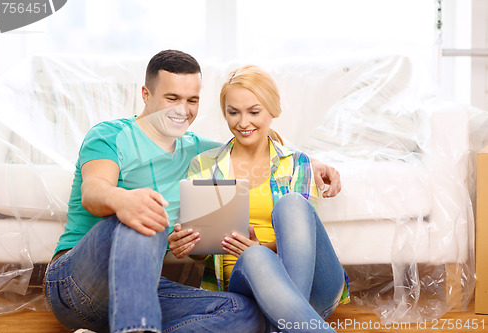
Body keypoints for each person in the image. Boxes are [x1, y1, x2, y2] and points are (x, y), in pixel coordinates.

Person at [44, 50, 341, 333]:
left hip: (139, 287)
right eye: (172, 98)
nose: (182, 111)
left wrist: (312, 162)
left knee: (244, 313)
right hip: (78, 282)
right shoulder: (110, 134)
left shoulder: (198, 151)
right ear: (146, 95)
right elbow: (94, 191)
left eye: (192, 100)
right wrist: (126, 200)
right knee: (145, 214)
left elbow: (253, 142)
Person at [168, 65, 349, 333]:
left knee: (292, 205)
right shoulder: (204, 167)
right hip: (245, 293)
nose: (243, 123)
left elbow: (303, 241)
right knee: (253, 259)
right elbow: (200, 253)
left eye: (254, 112)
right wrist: (189, 245)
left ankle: (285, 320)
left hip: (312, 292)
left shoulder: (298, 163)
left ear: (273, 111)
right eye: (233, 112)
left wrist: (261, 246)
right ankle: (290, 326)